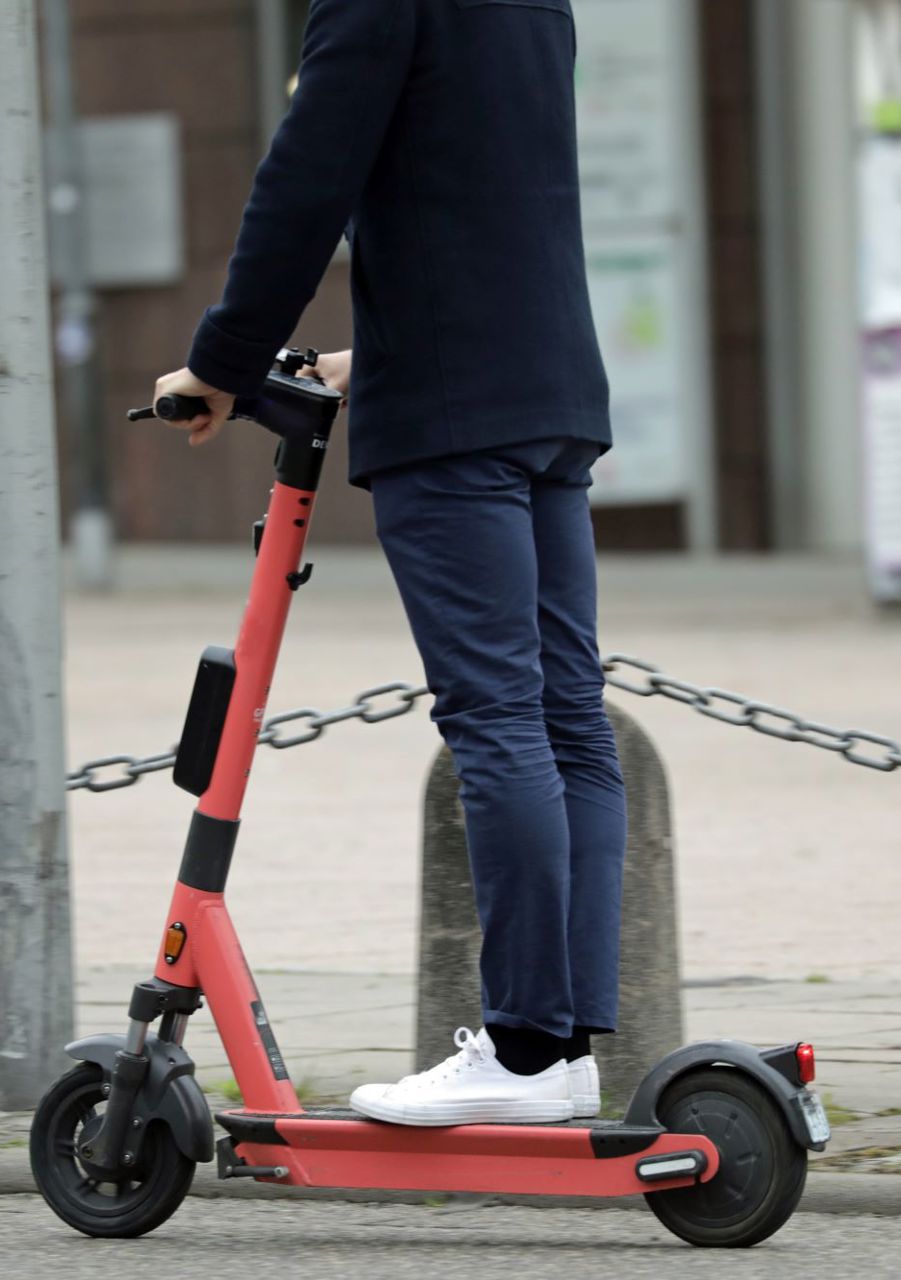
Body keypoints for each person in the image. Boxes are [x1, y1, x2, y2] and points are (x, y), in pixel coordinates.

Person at [154, 0, 625, 1126]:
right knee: (568, 720)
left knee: (499, 719)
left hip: (454, 421)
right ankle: (561, 1051)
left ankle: (516, 1050)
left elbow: (304, 184)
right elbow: (495, 190)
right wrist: (373, 351)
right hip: (549, 388)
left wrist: (219, 363)